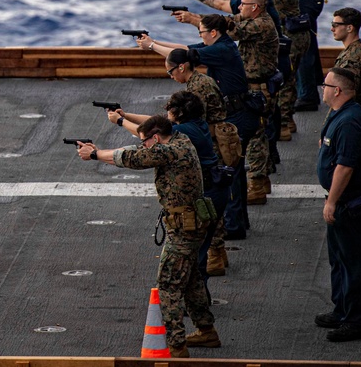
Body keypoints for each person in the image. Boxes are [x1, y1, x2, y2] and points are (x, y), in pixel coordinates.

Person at [77, 116, 220, 358]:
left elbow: (135, 157)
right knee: (191, 278)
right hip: (191, 223)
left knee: (168, 285)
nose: (143, 145)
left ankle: (176, 346)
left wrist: (94, 154)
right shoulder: (180, 140)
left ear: (156, 138)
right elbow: (137, 152)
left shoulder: (169, 151)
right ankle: (206, 330)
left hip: (184, 228)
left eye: (146, 141)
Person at [137, 15, 257, 239]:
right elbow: (184, 50)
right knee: (234, 173)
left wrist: (152, 46)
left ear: (213, 33)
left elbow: (184, 55)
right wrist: (154, 43)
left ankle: (232, 227)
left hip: (234, 117)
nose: (199, 37)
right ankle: (237, 223)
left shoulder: (222, 51)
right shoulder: (217, 48)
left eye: (201, 32)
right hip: (232, 116)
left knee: (225, 175)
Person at [105, 91, 231, 281]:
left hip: (209, 190)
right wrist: (125, 115)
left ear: (178, 113)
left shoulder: (183, 132)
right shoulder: (194, 123)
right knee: (200, 246)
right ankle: (201, 294)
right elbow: (154, 122)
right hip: (215, 188)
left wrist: (120, 123)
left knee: (195, 253)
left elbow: (148, 132)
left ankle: (198, 300)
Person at [173, 0, 279, 205]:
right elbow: (225, 18)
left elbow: (231, 30)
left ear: (256, 6)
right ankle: (259, 182)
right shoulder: (249, 19)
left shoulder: (261, 24)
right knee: (254, 140)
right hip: (251, 87)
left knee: (254, 142)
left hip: (258, 88)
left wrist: (194, 19)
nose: (240, 7)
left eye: (244, 3)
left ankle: (258, 184)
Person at [315, 67, 361, 342]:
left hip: (350, 203)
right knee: (339, 260)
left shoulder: (350, 122)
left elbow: (346, 166)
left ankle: (356, 321)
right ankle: (342, 309)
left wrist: (331, 201)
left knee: (354, 263)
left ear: (338, 90)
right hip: (344, 201)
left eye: (326, 85)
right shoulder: (341, 115)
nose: (323, 88)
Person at [164, 49, 240, 275]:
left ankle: (215, 256)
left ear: (181, 67)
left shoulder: (196, 88)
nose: (171, 77)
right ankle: (218, 255)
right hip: (215, 140)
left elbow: (196, 119)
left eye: (170, 71)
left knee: (207, 206)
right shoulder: (202, 80)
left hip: (212, 145)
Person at [330, 8, 361, 118]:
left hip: (352, 116)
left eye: (335, 25)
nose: (332, 29)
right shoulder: (356, 51)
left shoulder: (353, 59)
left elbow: (344, 95)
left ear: (349, 28)